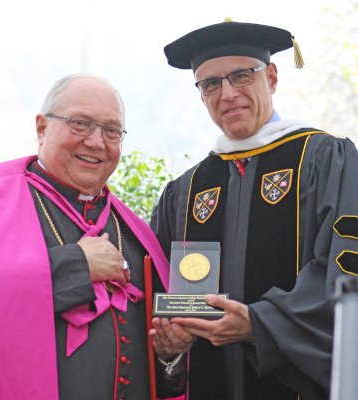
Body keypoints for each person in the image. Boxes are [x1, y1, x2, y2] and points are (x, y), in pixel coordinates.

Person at [150, 19, 358, 400]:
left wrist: (259, 325)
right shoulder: (186, 191)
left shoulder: (325, 161)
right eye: (210, 83)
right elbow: (161, 296)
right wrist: (170, 348)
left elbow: (345, 276)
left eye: (241, 76)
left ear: (272, 77)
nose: (226, 94)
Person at [0, 73, 189, 400]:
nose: (96, 142)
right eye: (80, 123)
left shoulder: (136, 231)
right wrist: (75, 265)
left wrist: (171, 355)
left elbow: (159, 366)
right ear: (41, 128)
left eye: (111, 131)